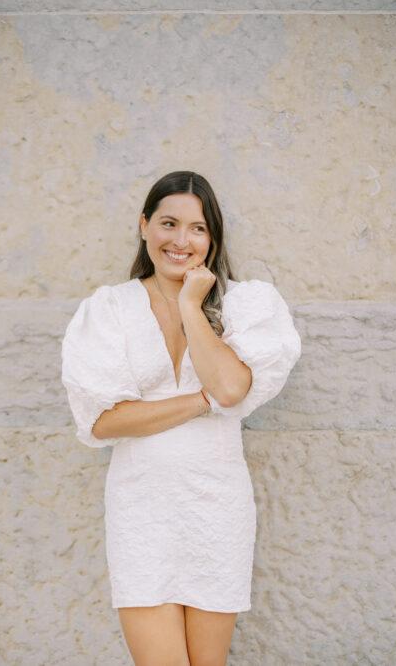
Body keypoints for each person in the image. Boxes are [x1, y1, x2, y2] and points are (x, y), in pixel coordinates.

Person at [61, 170, 302, 665]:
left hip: (216, 504)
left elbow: (234, 386)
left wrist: (193, 306)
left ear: (212, 238)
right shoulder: (109, 308)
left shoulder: (245, 303)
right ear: (144, 224)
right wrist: (205, 402)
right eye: (169, 223)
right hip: (141, 507)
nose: (181, 240)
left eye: (198, 229)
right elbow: (104, 421)